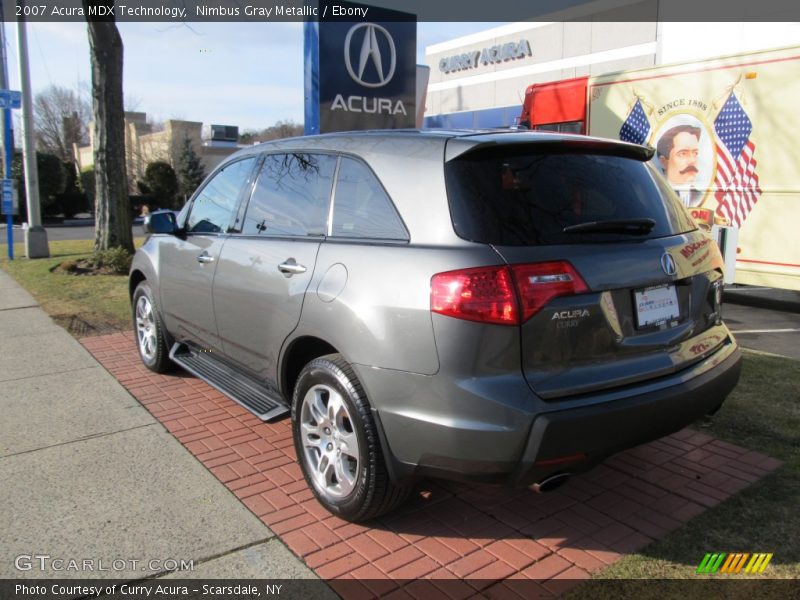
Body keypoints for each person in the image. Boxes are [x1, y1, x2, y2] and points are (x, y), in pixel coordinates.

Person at [656, 125, 703, 207]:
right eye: (683, 154)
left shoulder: (699, 196)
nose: (692, 160)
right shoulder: (653, 195)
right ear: (663, 161)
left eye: (695, 153)